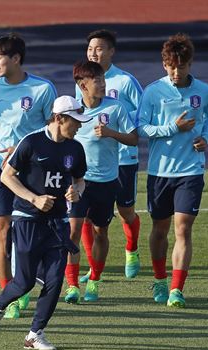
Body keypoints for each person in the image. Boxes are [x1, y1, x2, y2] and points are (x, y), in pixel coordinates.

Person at [0, 95, 88, 350]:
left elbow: (80, 180)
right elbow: (7, 176)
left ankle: (35, 334)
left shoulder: (75, 148)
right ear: (60, 118)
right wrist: (34, 198)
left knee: (54, 279)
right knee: (24, 282)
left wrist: (77, 192)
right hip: (28, 220)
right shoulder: (31, 142)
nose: (79, 126)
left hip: (58, 223)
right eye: (75, 120)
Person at [0, 34, 57, 318]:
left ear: (16, 58)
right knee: (3, 230)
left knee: (27, 233)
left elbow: (52, 130)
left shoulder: (42, 89)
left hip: (30, 170)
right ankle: (7, 294)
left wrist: (24, 150)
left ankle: (25, 283)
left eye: (0, 57)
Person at [137, 33, 208, 308]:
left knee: (183, 229)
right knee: (160, 229)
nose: (175, 72)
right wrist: (173, 128)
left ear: (190, 64)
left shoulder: (203, 91)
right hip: (160, 172)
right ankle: (160, 279)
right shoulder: (152, 91)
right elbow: (141, 129)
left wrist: (206, 136)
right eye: (171, 66)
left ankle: (176, 289)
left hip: (191, 170)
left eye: (181, 66)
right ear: (164, 64)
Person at [63, 61, 138, 304]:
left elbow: (134, 138)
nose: (104, 85)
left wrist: (110, 134)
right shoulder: (73, 111)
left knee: (101, 232)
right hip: (78, 181)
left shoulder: (116, 108)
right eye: (98, 81)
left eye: (104, 80)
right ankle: (72, 286)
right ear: (82, 85)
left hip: (106, 182)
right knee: (73, 231)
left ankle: (94, 280)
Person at [75, 29, 144, 281]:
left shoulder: (125, 81)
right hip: (91, 164)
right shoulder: (82, 80)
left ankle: (132, 249)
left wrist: (117, 129)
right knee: (83, 218)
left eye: (99, 48)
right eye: (90, 48)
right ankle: (94, 270)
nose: (94, 53)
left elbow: (142, 112)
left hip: (123, 158)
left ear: (112, 52)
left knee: (126, 212)